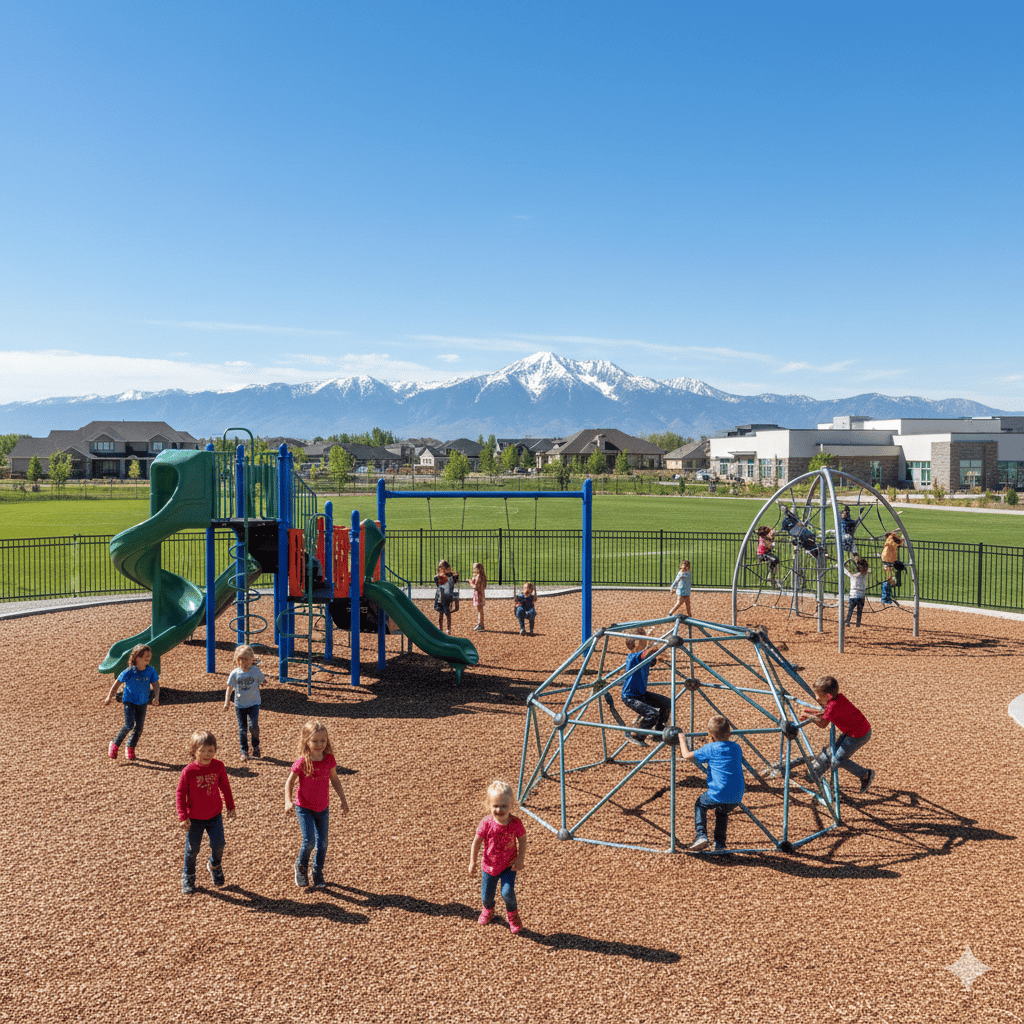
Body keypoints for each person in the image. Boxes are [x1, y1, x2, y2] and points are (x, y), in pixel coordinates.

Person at [284, 720, 350, 889]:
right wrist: (288, 801)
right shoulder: (302, 762)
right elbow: (289, 782)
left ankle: (317, 871)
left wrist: (343, 800)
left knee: (323, 843)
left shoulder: (329, 760)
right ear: (306, 741)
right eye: (315, 741)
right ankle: (300, 866)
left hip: (323, 807)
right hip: (304, 807)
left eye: (323, 740)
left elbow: (335, 779)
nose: (319, 744)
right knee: (309, 841)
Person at [176, 731, 236, 895]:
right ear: (194, 751)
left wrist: (231, 806)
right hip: (194, 817)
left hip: (215, 814)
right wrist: (183, 816)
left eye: (210, 750)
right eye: (202, 750)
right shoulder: (188, 771)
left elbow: (225, 787)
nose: (207, 754)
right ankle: (188, 875)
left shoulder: (218, 766)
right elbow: (180, 794)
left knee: (219, 843)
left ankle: (214, 865)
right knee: (192, 849)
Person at [468, 780, 527, 934]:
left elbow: (522, 839)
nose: (499, 809)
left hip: (509, 865)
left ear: (511, 805)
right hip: (489, 866)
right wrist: (472, 861)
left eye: (504, 806)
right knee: (486, 896)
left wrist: (520, 858)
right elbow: (476, 842)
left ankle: (513, 915)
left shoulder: (515, 823)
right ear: (489, 805)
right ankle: (488, 910)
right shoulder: (486, 823)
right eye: (495, 806)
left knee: (507, 892)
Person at [799, 676, 874, 793]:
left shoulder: (832, 706)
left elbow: (823, 724)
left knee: (838, 760)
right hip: (855, 730)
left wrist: (809, 716)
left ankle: (865, 774)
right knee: (831, 752)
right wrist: (812, 712)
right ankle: (815, 774)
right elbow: (826, 713)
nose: (816, 698)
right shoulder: (839, 698)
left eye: (818, 695)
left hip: (858, 735)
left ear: (828, 697)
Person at [682, 715, 745, 853]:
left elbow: (686, 755)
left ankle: (701, 835)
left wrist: (681, 738)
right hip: (737, 795)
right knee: (722, 812)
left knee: (700, 804)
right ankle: (720, 844)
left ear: (710, 734)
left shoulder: (710, 748)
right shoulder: (736, 747)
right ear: (729, 732)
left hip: (719, 792)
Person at [104, 643, 160, 761]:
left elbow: (155, 684)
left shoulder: (150, 670)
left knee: (139, 727)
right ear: (137, 658)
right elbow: (117, 683)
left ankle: (130, 748)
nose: (149, 657)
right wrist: (109, 696)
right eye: (146, 655)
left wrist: (156, 696)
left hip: (143, 702)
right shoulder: (129, 671)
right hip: (129, 701)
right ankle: (114, 744)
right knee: (129, 724)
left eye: (150, 655)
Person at [620, 630, 668, 746]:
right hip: (630, 696)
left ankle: (659, 733)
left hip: (641, 694)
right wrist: (655, 647)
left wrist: (658, 654)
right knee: (652, 714)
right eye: (642, 640)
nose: (645, 642)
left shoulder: (644, 657)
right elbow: (646, 653)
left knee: (667, 703)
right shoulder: (633, 658)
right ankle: (638, 736)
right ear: (633, 645)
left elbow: (652, 659)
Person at [224, 644, 265, 762]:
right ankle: (244, 751)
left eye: (245, 659)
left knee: (254, 726)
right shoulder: (235, 673)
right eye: (240, 659)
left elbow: (261, 679)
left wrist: (263, 682)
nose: (243, 662)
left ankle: (256, 746)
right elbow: (229, 688)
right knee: (242, 729)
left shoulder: (255, 670)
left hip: (254, 703)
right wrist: (227, 701)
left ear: (252, 659)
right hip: (240, 705)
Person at [843, 557, 870, 627]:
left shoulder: (853, 575)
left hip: (853, 595)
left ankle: (848, 621)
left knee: (850, 609)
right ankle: (858, 624)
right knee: (859, 611)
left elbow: (844, 570)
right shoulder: (864, 575)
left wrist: (843, 564)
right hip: (861, 595)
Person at [434, 560, 459, 635]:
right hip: (440, 597)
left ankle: (448, 629)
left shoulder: (451, 576)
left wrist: (454, 576)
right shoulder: (437, 577)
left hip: (447, 598)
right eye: (439, 567)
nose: (439, 568)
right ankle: (440, 629)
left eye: (441, 566)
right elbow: (438, 583)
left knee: (448, 613)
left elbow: (454, 582)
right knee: (440, 613)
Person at [880, 531, 903, 607]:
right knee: (888, 580)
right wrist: (902, 538)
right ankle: (885, 599)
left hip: (889, 561)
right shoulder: (890, 539)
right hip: (887, 561)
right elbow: (897, 542)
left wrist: (902, 538)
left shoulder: (891, 539)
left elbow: (898, 542)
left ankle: (888, 598)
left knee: (890, 580)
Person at [470, 562, 487, 632]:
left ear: (478, 569)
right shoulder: (482, 576)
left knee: (480, 611)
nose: (473, 570)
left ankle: (480, 625)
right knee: (480, 610)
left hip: (478, 595)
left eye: (474, 568)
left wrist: (470, 583)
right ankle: (481, 624)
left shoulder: (478, 576)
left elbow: (475, 587)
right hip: (481, 594)